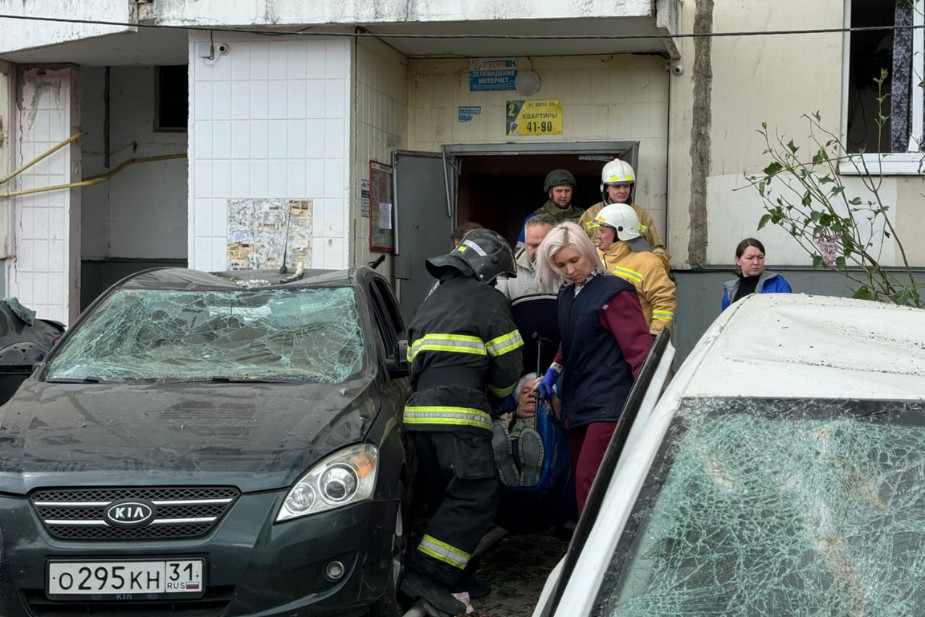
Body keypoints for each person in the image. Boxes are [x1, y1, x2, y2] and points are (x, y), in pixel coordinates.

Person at [401, 229, 524, 615]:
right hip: (460, 412)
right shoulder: (489, 300)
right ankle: (428, 575)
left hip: (419, 415)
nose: (496, 283)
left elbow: (412, 361)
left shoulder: (432, 300)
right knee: (476, 494)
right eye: (497, 276)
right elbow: (508, 366)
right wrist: (500, 396)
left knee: (445, 498)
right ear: (486, 269)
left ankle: (458, 576)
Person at [533, 222, 652, 515]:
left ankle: (596, 542)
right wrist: (554, 371)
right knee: (580, 479)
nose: (570, 270)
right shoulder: (567, 294)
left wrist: (649, 402)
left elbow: (640, 352)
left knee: (590, 481)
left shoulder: (614, 293)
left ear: (589, 251)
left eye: (575, 260)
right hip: (579, 401)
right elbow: (572, 339)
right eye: (561, 265)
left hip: (611, 401)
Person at [593, 203, 676, 337]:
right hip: (601, 339)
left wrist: (655, 336)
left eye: (602, 231)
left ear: (618, 232)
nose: (598, 235)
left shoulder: (648, 263)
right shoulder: (595, 255)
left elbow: (664, 301)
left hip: (633, 341)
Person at [496, 213, 560, 372]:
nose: (538, 252)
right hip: (522, 370)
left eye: (544, 245)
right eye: (532, 245)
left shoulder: (571, 269)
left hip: (565, 368)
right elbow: (497, 321)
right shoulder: (507, 272)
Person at [578, 158, 669, 265]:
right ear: (606, 188)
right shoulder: (590, 215)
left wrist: (657, 264)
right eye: (617, 186)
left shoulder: (642, 216)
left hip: (632, 272)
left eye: (626, 186)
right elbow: (577, 248)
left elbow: (657, 248)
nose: (623, 191)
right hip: (600, 271)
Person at [516, 169, 584, 248]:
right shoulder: (534, 219)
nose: (563, 195)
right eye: (558, 191)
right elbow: (521, 251)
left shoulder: (583, 217)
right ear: (550, 193)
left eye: (567, 191)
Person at [721, 237, 792, 310]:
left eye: (760, 257)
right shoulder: (731, 289)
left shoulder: (778, 283)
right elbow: (726, 316)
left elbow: (787, 312)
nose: (756, 262)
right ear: (738, 260)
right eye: (750, 258)